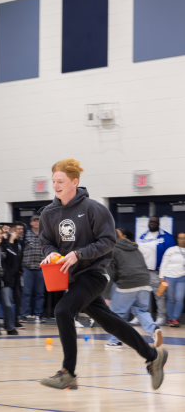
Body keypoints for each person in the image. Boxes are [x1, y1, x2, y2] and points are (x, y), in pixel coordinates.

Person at [38, 158, 166, 390]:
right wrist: (51, 253)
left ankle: (68, 373)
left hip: (93, 275)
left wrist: (79, 254)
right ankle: (153, 356)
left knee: (63, 310)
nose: (55, 185)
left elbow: (108, 242)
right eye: (53, 181)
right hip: (71, 278)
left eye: (61, 181)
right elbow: (46, 241)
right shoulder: (48, 212)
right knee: (111, 323)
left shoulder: (93, 209)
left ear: (74, 182)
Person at [103, 228, 162, 348]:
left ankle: (115, 340)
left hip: (128, 283)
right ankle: (154, 329)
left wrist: (106, 294)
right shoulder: (134, 247)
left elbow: (111, 275)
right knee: (141, 310)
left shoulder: (110, 250)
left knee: (117, 313)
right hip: (145, 281)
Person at [137, 216, 175, 327]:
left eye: (154, 222)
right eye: (150, 222)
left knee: (159, 295)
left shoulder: (167, 237)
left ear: (159, 223)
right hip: (143, 271)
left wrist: (163, 271)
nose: (152, 223)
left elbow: (170, 256)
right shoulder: (143, 236)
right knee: (141, 295)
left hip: (157, 272)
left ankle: (161, 317)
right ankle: (140, 317)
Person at [21, 215, 46, 323]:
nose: (36, 223)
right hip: (28, 268)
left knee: (40, 293)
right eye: (34, 221)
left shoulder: (45, 235)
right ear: (31, 223)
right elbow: (20, 250)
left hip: (41, 269)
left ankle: (38, 315)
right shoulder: (25, 235)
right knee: (26, 293)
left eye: (38, 221)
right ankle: (23, 315)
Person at [158, 232, 185, 327]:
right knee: (170, 299)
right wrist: (161, 277)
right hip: (169, 277)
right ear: (177, 239)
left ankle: (175, 318)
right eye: (180, 238)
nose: (182, 240)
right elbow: (164, 263)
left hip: (182, 278)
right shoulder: (171, 250)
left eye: (184, 238)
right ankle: (170, 319)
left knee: (179, 299)